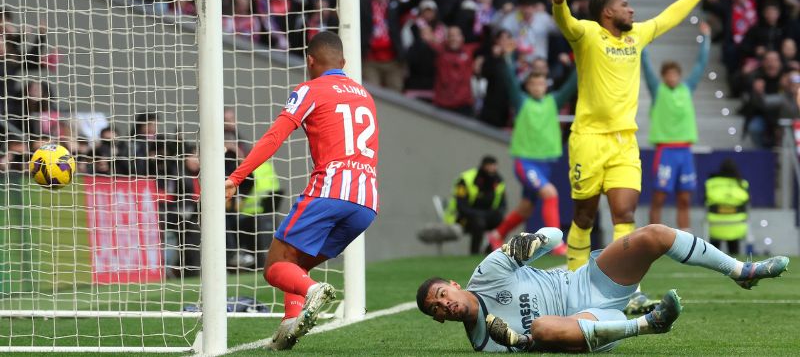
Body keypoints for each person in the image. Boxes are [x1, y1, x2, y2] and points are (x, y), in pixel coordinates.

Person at [547, 0, 737, 276]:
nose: (631, 9)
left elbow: (671, 16)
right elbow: (566, 24)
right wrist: (559, 4)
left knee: (625, 214)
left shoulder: (637, 35)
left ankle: (623, 286)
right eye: (625, 5)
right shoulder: (588, 34)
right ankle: (573, 279)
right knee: (584, 217)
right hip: (589, 139)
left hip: (624, 141)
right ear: (608, 12)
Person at [224, 31, 380, 350]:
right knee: (296, 264)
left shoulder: (310, 89)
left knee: (275, 267)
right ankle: (287, 332)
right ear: (344, 62)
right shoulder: (364, 94)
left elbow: (273, 137)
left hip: (330, 191)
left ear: (310, 60)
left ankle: (312, 292)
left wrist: (236, 177)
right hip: (366, 201)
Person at [417, 226, 789, 353]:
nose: (444, 305)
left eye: (441, 296)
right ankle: (648, 324)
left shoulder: (488, 272)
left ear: (452, 285)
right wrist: (524, 343)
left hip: (588, 281)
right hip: (594, 323)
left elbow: (556, 236)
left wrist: (530, 242)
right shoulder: (485, 345)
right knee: (544, 328)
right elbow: (549, 345)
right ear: (439, 320)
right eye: (437, 309)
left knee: (653, 235)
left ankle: (741, 270)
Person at [486, 62, 577, 254]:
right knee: (550, 193)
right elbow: (510, 82)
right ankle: (555, 243)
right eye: (534, 84)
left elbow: (571, 84)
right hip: (525, 162)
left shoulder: (554, 101)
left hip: (546, 164)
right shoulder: (521, 102)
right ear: (528, 87)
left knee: (526, 208)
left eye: (541, 84)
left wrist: (584, 57)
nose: (538, 87)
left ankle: (496, 234)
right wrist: (507, 57)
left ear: (546, 85)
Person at [643, 22, 711, 231]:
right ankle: (653, 236)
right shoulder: (657, 90)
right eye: (668, 75)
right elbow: (645, 65)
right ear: (663, 76)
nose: (672, 78)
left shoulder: (687, 88)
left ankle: (686, 238)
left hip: (685, 151)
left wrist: (706, 38)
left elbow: (700, 64)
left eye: (675, 74)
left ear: (679, 76)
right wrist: (641, 41)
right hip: (665, 151)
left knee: (684, 198)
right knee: (659, 196)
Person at [443, 156, 507, 255]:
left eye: (494, 166)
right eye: (489, 166)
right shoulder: (466, 179)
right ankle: (474, 253)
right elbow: (461, 206)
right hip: (462, 218)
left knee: (503, 222)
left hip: (487, 216)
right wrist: (480, 215)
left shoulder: (498, 181)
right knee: (478, 222)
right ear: (483, 166)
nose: (491, 169)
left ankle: (490, 252)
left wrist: (493, 214)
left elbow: (502, 205)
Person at [704, 159, 750, 254]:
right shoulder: (742, 184)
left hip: (714, 226)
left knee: (713, 254)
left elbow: (705, 202)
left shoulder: (711, 183)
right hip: (737, 226)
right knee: (734, 255)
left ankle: (712, 262)